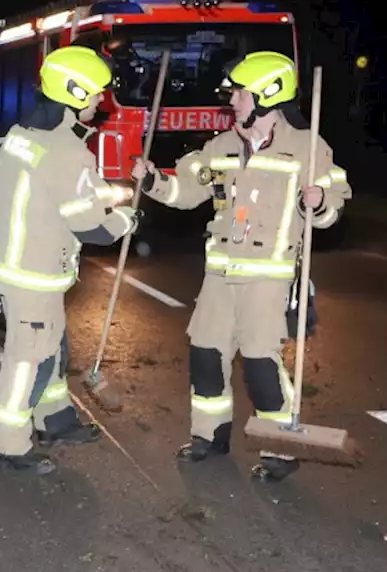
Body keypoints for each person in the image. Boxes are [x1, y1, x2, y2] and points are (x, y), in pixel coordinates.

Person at [131, 51, 352, 462]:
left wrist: (320, 201)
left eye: (240, 94)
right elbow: (187, 190)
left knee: (260, 367)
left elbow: (333, 210)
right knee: (205, 356)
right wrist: (154, 181)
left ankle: (279, 449)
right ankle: (208, 436)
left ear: (268, 96)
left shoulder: (307, 147)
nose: (232, 101)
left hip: (268, 279)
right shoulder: (221, 146)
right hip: (219, 276)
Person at [0, 45, 139, 477]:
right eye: (97, 93)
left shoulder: (19, 138)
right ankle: (9, 444)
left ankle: (56, 419)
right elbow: (92, 229)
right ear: (74, 92)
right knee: (31, 360)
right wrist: (127, 218)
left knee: (53, 350)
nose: (102, 100)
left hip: (13, 272)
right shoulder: (68, 152)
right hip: (34, 277)